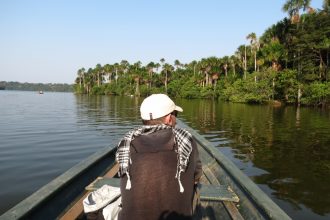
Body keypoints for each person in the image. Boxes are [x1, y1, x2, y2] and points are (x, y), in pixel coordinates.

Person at [116, 94, 202, 220]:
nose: (176, 120)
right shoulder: (186, 139)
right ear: (168, 119)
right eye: (175, 115)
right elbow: (197, 175)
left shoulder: (126, 142)